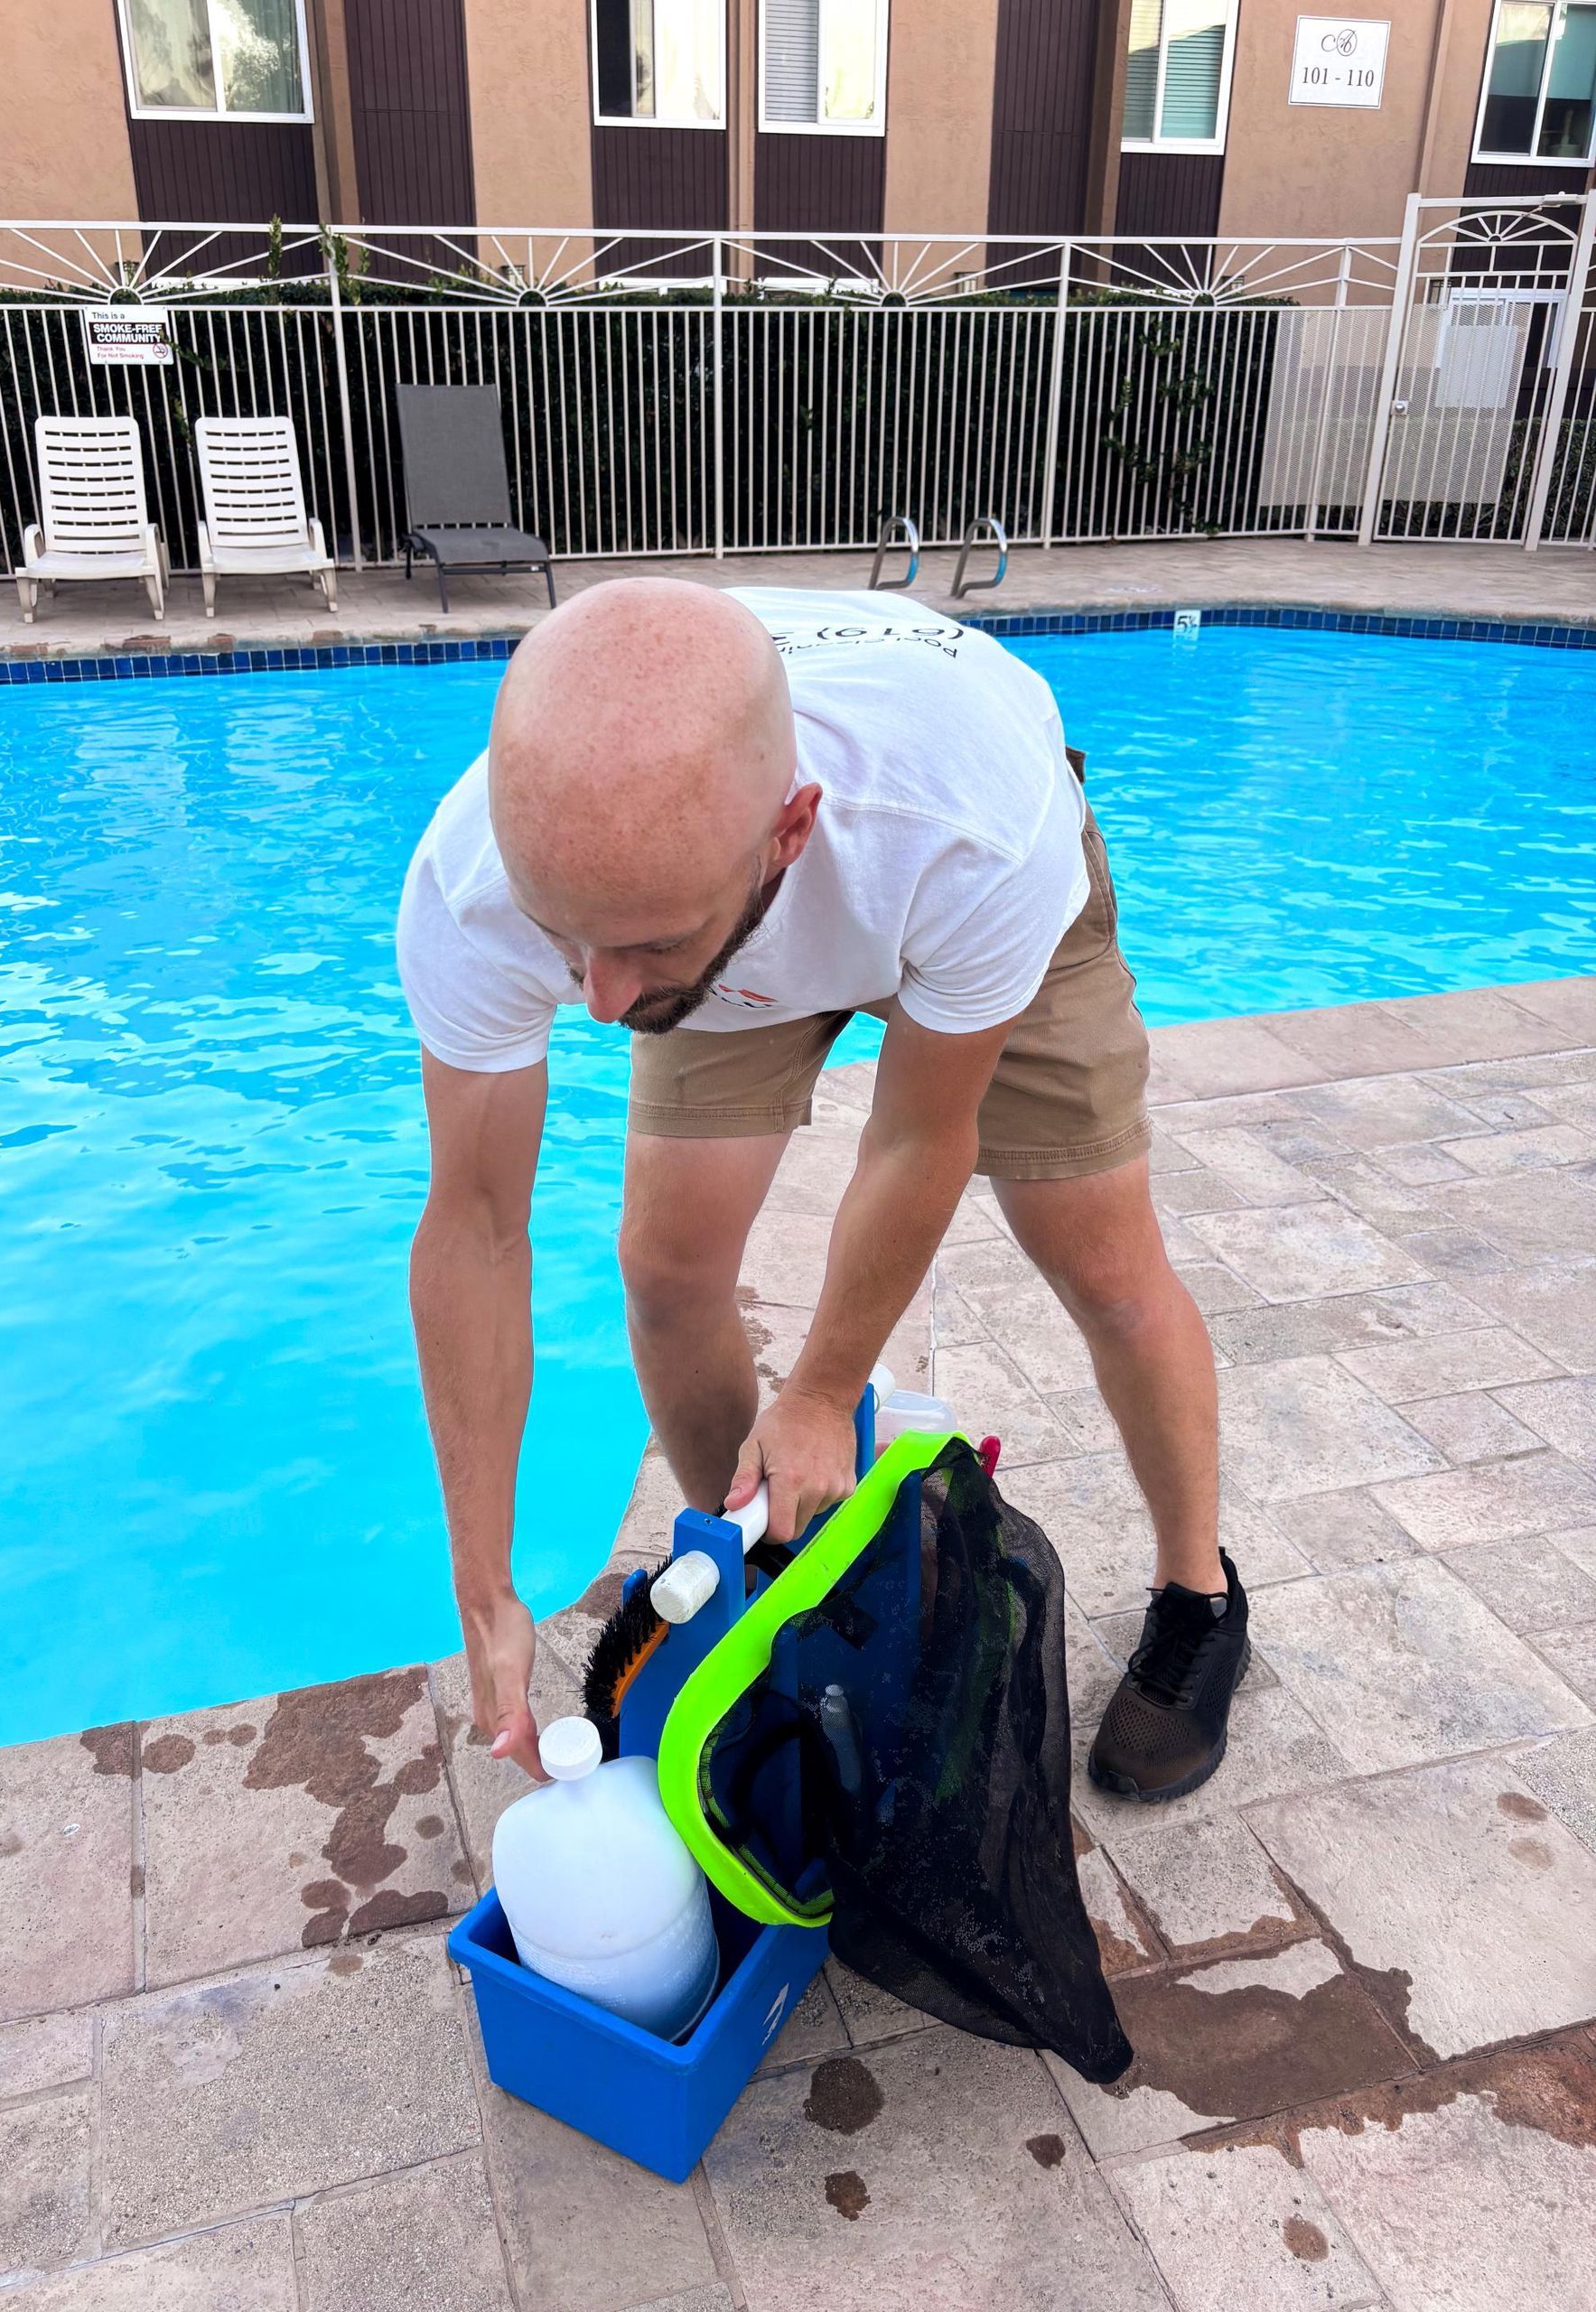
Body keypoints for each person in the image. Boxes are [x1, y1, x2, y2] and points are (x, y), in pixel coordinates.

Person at [397, 579, 1247, 1803]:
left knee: (1107, 1267)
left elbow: (918, 1134)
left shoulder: (966, 820)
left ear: (787, 831)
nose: (598, 999)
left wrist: (824, 1390)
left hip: (961, 895)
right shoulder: (487, 879)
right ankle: (768, 1590)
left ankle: (1198, 1598)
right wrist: (484, 1593)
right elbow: (474, 1230)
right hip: (719, 925)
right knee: (667, 1266)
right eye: (566, 937)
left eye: (638, 947)